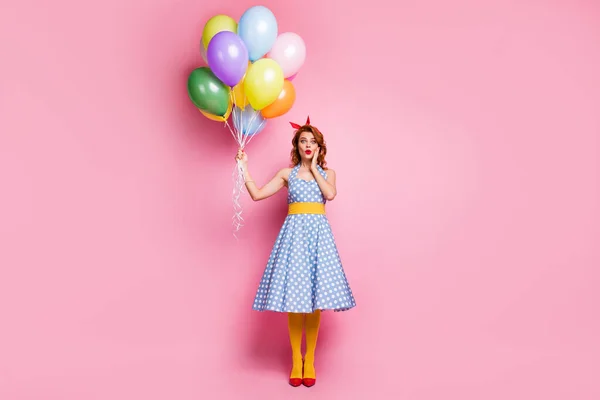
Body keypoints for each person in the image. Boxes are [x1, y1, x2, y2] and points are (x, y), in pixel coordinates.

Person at [235, 116, 356, 388]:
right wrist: (244, 167)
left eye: (313, 141)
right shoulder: (286, 174)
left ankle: (309, 360)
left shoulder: (328, 173)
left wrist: (313, 168)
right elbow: (257, 194)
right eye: (303, 141)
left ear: (319, 146)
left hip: (318, 238)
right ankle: (295, 361)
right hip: (294, 237)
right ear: (297, 146)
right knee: (295, 300)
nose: (308, 145)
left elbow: (331, 194)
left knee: (315, 301)